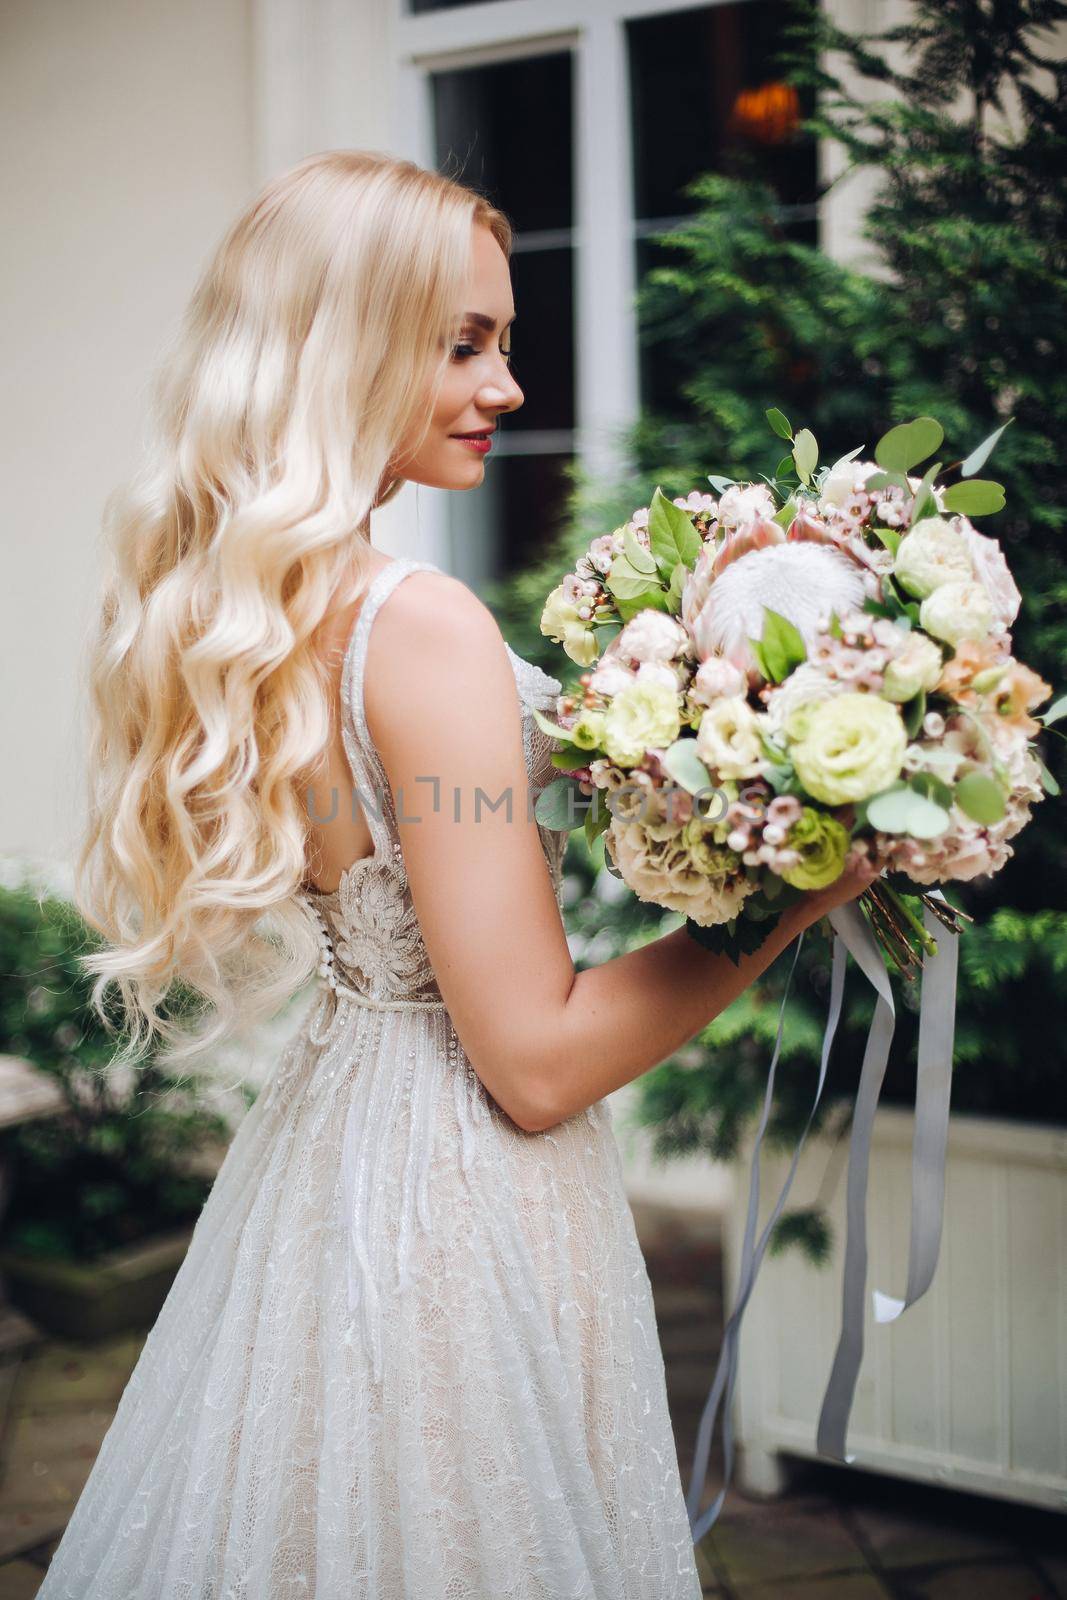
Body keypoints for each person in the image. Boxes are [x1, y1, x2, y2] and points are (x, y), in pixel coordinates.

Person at [38, 149, 877, 1599]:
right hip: (448, 1201)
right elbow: (538, 1063)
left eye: (507, 345)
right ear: (340, 348)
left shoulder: (275, 608)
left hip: (331, 1153)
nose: (507, 389)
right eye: (465, 345)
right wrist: (803, 890)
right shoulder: (412, 624)